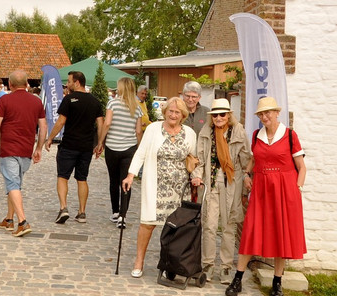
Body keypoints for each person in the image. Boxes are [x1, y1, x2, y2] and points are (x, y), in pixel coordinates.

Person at [225, 96, 307, 296]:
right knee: (251, 231)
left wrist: (297, 189)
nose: (264, 116)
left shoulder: (290, 135)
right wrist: (247, 174)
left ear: (277, 113)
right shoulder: (256, 135)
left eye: (268, 112)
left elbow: (302, 167)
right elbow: (254, 159)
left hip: (285, 190)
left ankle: (277, 282)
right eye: (261, 114)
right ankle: (238, 278)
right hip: (261, 189)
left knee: (281, 235)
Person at [121, 96, 197, 278]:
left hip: (179, 189)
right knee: (147, 224)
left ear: (183, 115)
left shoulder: (189, 133)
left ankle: (169, 264)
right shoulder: (153, 129)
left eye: (177, 112)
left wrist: (196, 177)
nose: (173, 115)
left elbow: (193, 159)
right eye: (170, 111)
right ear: (165, 112)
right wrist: (131, 174)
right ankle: (139, 261)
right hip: (155, 186)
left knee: (175, 228)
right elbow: (141, 153)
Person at [192, 98, 251, 281]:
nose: (218, 118)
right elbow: (199, 158)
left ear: (228, 115)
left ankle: (225, 267)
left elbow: (246, 159)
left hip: (231, 183)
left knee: (228, 226)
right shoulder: (206, 131)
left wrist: (245, 184)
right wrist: (197, 175)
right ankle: (208, 264)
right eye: (215, 115)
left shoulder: (238, 131)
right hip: (210, 183)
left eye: (222, 114)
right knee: (209, 225)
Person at [0, 68, 47, 237]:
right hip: (26, 149)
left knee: (12, 185)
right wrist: (39, 148)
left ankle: (23, 222)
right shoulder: (36, 102)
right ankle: (9, 219)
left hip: (9, 149)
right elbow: (43, 127)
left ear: (10, 84)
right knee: (15, 184)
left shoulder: (5, 100)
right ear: (27, 84)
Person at [44, 70, 105, 224]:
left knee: (62, 177)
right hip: (86, 146)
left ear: (77, 82)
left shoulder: (69, 99)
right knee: (82, 179)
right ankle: (82, 212)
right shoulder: (95, 101)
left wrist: (50, 138)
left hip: (69, 144)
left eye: (69, 81)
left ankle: (63, 208)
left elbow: (61, 121)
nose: (67, 84)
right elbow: (101, 124)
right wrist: (100, 143)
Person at [98, 75, 144, 224]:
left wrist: (100, 142)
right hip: (129, 148)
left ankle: (115, 212)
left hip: (112, 147)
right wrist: (139, 148)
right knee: (126, 181)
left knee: (113, 180)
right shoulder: (137, 107)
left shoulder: (112, 103)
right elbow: (138, 131)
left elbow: (107, 123)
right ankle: (123, 216)